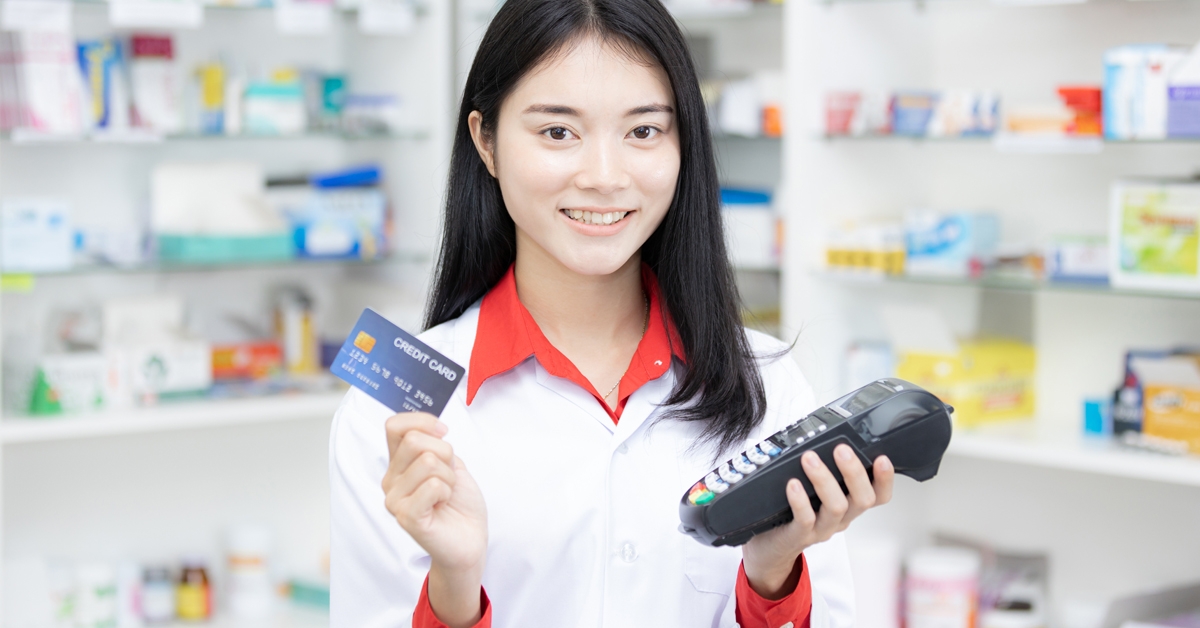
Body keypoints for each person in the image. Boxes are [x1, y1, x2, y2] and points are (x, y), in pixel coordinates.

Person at [329, 0, 895, 625]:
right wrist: (456, 587)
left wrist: (771, 576)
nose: (604, 176)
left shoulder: (767, 383)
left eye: (643, 131)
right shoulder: (398, 410)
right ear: (485, 142)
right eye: (557, 132)